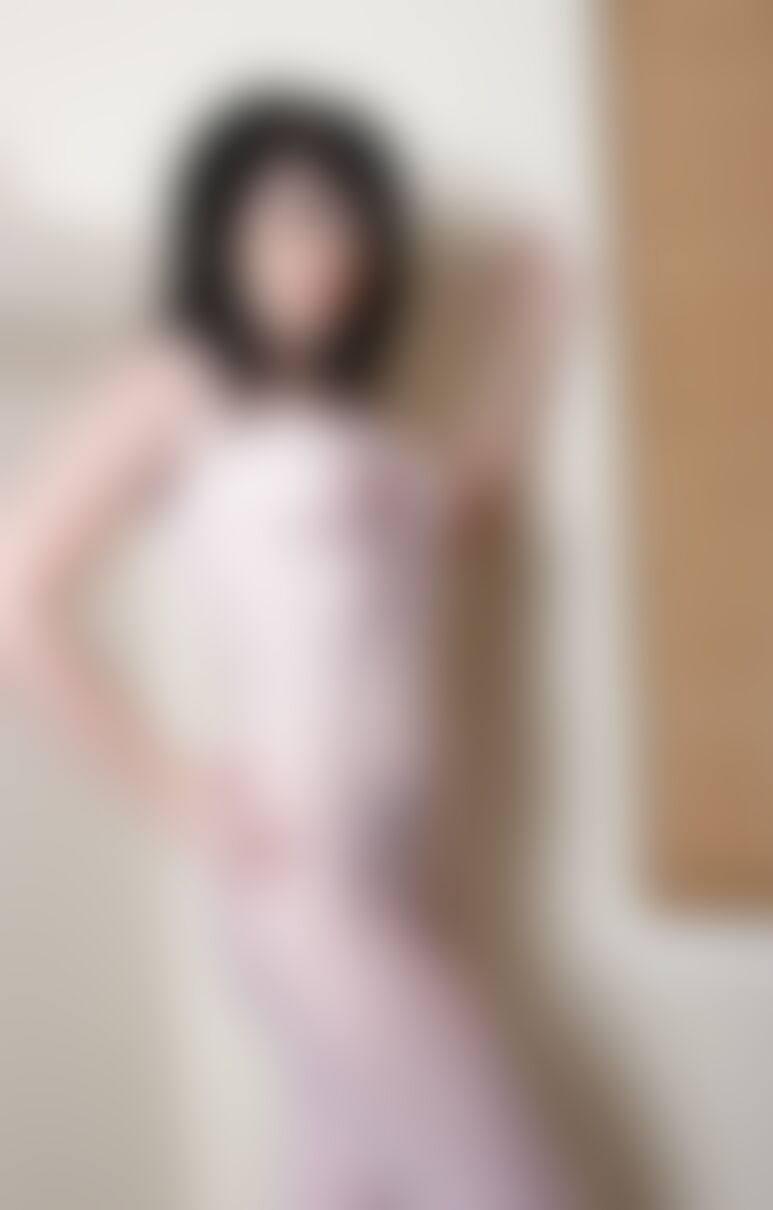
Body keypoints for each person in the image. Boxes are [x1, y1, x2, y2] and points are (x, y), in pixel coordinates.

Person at [0, 93, 567, 1209]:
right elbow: (16, 596)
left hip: (407, 876)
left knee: (344, 1185)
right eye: (298, 217)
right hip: (301, 875)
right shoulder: (177, 381)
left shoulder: (358, 421)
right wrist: (176, 785)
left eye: (352, 221)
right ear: (224, 232)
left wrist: (532, 338)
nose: (332, 250)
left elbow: (471, 517)